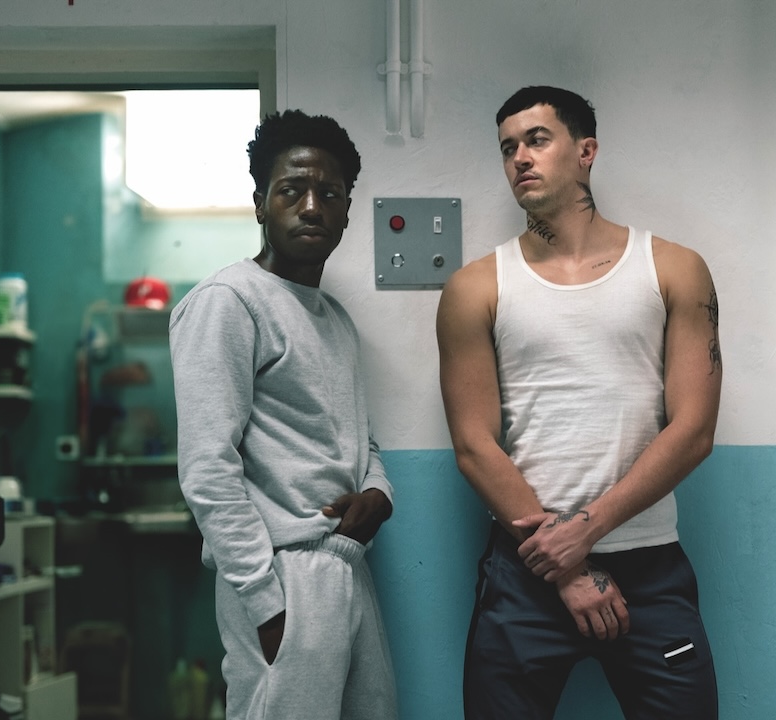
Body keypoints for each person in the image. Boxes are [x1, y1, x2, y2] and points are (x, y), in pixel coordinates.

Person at [437, 86, 723, 719]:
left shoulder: (674, 268)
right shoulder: (474, 287)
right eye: (507, 148)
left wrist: (585, 532)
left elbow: (694, 429)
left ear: (586, 151)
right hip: (528, 570)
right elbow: (474, 444)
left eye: (537, 140)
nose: (520, 158)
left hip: (648, 563)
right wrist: (565, 566)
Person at [169, 109, 398, 720]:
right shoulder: (228, 302)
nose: (312, 207)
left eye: (330, 194)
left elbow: (361, 440)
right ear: (260, 204)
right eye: (292, 190)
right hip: (279, 574)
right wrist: (265, 603)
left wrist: (379, 494)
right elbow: (207, 468)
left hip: (347, 564)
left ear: (347, 211)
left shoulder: (336, 319)